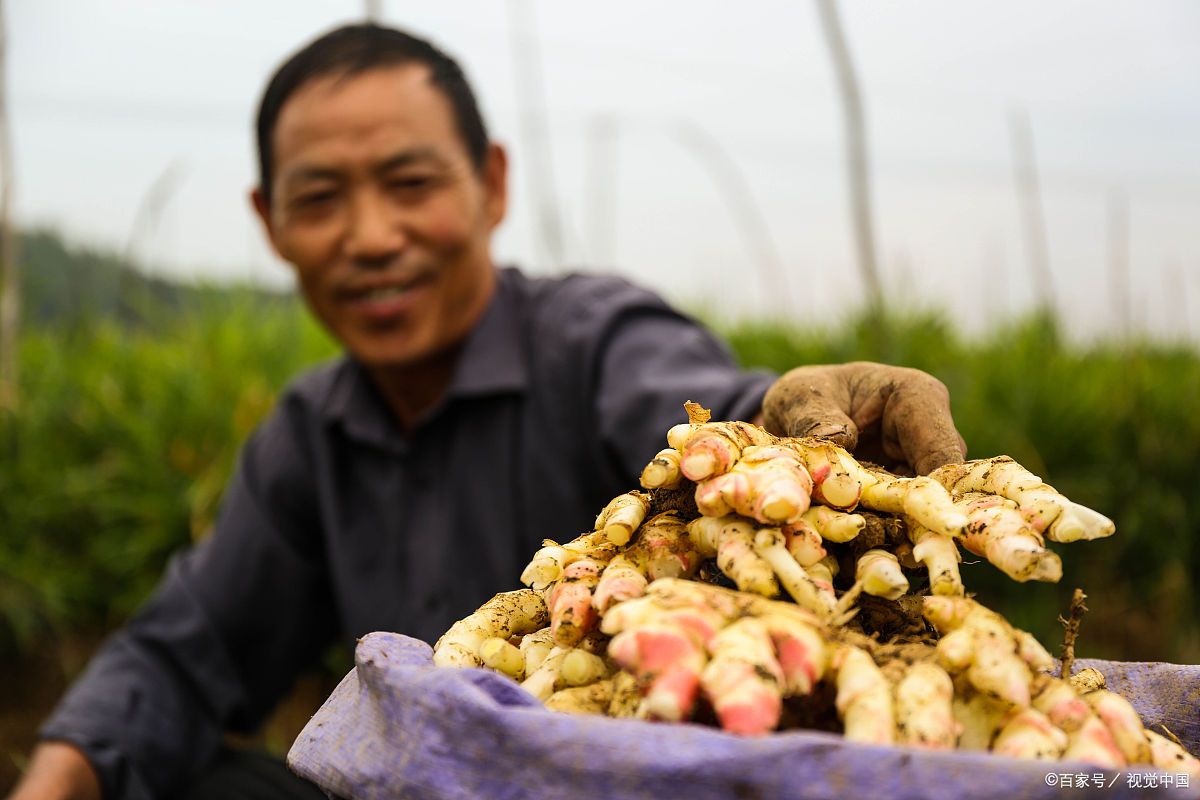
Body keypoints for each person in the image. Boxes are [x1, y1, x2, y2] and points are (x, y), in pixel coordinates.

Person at [9, 23, 965, 800]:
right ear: (272, 223)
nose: (371, 237)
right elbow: (184, 654)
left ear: (492, 184)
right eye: (321, 198)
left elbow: (708, 418)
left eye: (411, 184)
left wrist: (792, 420)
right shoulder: (310, 435)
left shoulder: (593, 340)